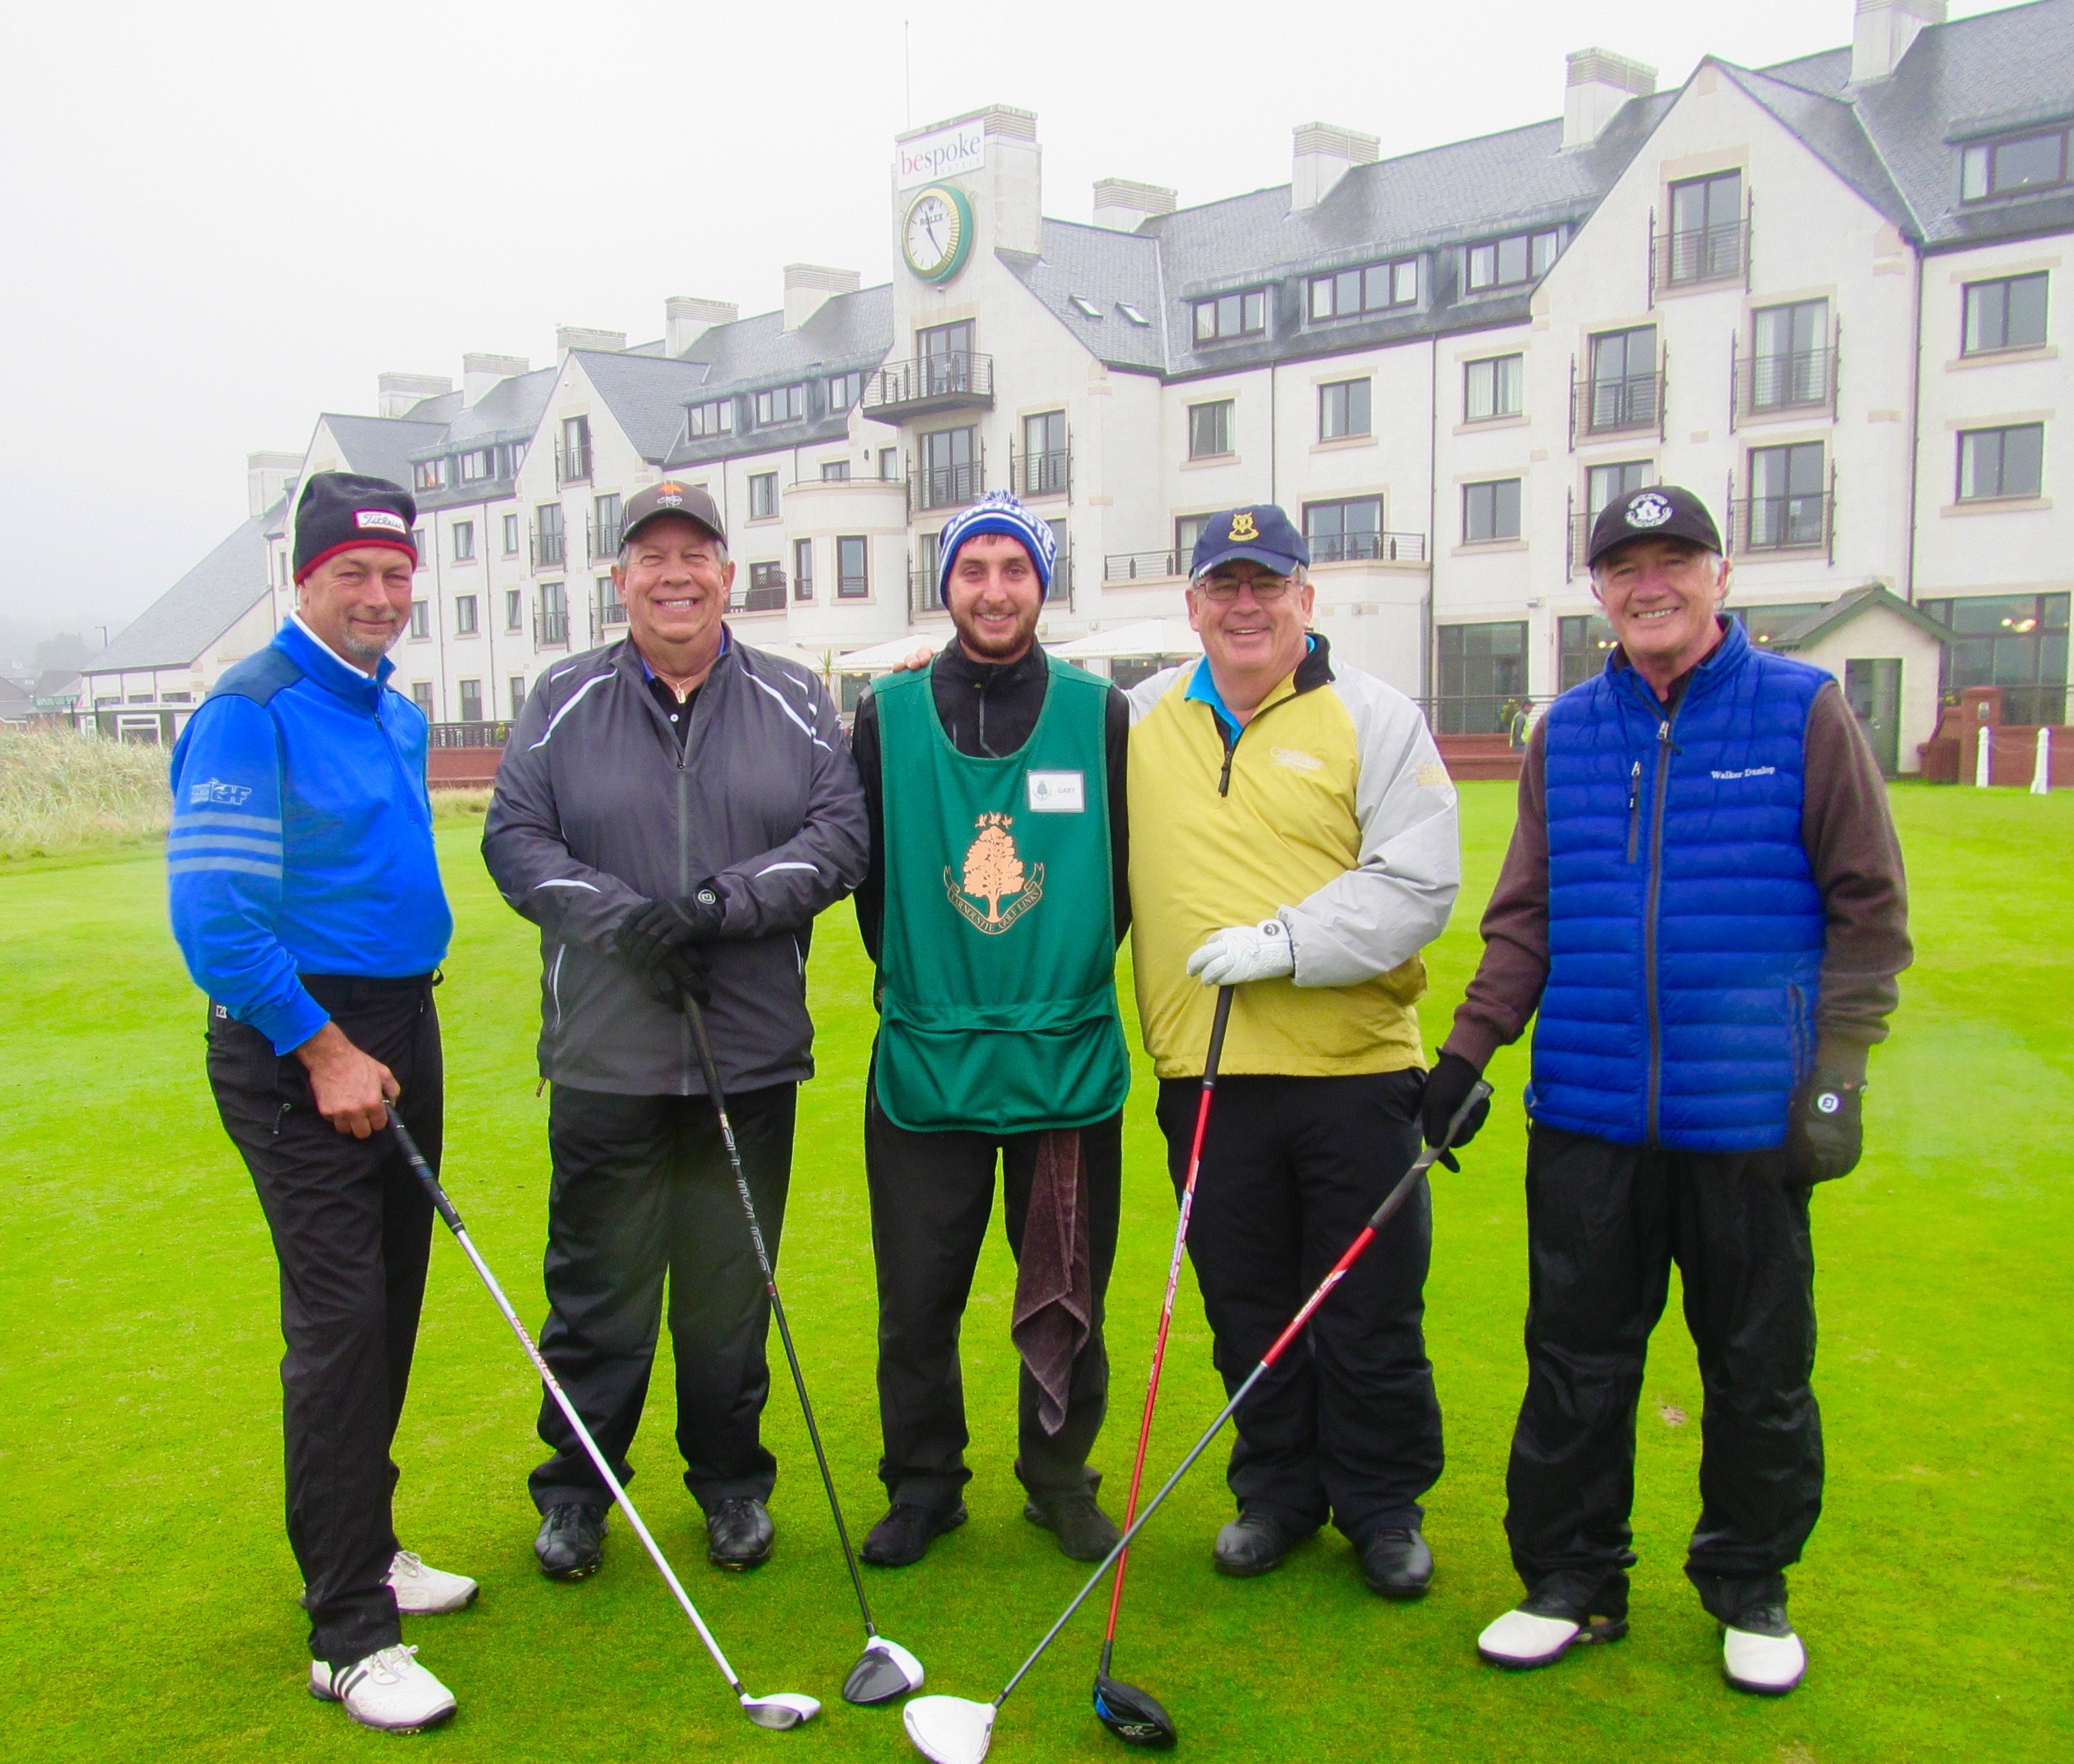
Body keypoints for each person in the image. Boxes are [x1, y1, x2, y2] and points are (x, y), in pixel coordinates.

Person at [1433, 484, 1911, 1696]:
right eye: (1623, 565)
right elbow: (1524, 921)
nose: (1649, 583)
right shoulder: (1567, 732)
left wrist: (1837, 1077)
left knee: (1756, 1363)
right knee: (1575, 1361)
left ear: (1720, 572)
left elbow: (1868, 909)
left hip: (1748, 1119)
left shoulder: (1804, 712)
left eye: (1673, 560)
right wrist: (1462, 1057)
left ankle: (1748, 1585)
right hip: (1589, 1115)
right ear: (1596, 590)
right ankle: (1571, 1580)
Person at [481, 480, 867, 1582]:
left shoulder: (794, 698)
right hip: (606, 1059)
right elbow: (516, 841)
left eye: (694, 553)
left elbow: (838, 839)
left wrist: (715, 907)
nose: (674, 575)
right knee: (595, 1293)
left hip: (743, 1059)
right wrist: (625, 922)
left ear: (725, 573)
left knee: (727, 1291)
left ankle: (732, 1484)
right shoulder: (562, 698)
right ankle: (576, 1493)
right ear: (620, 580)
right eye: (651, 558)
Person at [168, 471, 469, 1733]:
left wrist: (381, 1032)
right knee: (342, 1319)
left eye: (397, 575)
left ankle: (370, 1536)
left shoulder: (387, 708)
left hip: (402, 1022)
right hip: (302, 1044)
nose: (381, 596)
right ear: (302, 579)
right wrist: (322, 1046)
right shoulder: (253, 709)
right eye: (354, 573)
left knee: (393, 1300)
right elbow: (216, 921)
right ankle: (348, 1627)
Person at [1125, 504, 1461, 1599]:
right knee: (1246, 1302)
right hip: (1205, 1071)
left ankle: (1379, 1505)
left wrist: (1284, 943)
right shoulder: (1138, 719)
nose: (1244, 605)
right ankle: (1274, 1491)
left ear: (1305, 599)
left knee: (1366, 1305)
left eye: (1265, 584)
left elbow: (1418, 883)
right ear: (1192, 605)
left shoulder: (1376, 715)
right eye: (1223, 586)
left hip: (1354, 1069)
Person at [849, 492, 1133, 1568]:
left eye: (1015, 568)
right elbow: (870, 882)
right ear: (947, 585)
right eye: (973, 568)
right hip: (926, 1055)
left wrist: (1047, 980)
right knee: (916, 1294)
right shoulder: (887, 713)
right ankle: (923, 1484)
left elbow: (1123, 881)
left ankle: (1060, 1479)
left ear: (1041, 584)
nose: (994, 588)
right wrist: (937, 981)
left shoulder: (1098, 715)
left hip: (1064, 1057)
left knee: (1065, 1285)